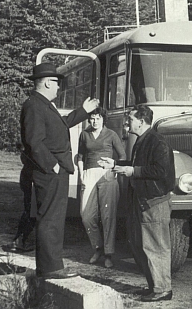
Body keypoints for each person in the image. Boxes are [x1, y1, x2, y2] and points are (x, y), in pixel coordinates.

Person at [21, 62, 99, 279]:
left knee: (54, 218)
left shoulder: (43, 104)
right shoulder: (34, 105)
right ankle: (51, 268)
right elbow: (34, 142)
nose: (59, 88)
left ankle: (52, 266)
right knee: (50, 219)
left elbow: (62, 125)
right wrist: (53, 165)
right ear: (46, 83)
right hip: (50, 172)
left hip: (55, 171)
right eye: (56, 83)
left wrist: (84, 111)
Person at [98, 104, 175, 302]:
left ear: (141, 121)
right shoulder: (143, 139)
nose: (127, 122)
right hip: (145, 201)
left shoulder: (157, 142)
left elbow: (161, 171)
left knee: (156, 247)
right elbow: (137, 165)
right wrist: (115, 165)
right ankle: (155, 287)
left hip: (154, 202)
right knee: (144, 246)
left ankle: (162, 290)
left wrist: (134, 172)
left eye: (130, 119)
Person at [77, 107, 126, 268]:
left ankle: (108, 254)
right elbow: (80, 156)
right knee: (86, 215)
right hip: (89, 174)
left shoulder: (111, 134)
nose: (95, 121)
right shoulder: (84, 134)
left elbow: (122, 156)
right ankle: (97, 248)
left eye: (98, 118)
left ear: (103, 119)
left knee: (108, 216)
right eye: (92, 118)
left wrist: (114, 169)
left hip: (107, 175)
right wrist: (81, 174)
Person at [10, 147, 35, 252]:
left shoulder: (31, 145)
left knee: (29, 210)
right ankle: (20, 240)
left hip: (27, 176)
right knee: (31, 211)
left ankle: (19, 240)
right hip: (31, 177)